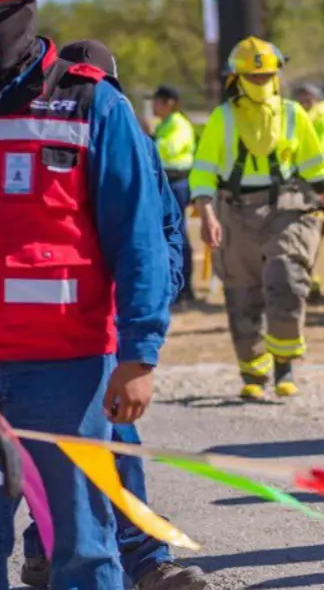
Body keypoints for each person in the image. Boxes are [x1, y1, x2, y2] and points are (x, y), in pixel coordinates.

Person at [0, 0, 174, 588]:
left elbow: (140, 238)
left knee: (82, 548)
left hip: (68, 373)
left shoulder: (90, 104)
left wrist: (139, 354)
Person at [17, 41, 208, 589]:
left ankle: (141, 558)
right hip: (64, 340)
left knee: (107, 463)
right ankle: (51, 550)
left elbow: (160, 234)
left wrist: (143, 315)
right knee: (62, 467)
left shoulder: (122, 134)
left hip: (96, 341)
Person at [191, 37, 324, 400]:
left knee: (287, 280)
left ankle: (285, 367)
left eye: (267, 76)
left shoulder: (295, 114)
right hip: (236, 211)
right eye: (254, 77)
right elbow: (203, 172)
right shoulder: (223, 117)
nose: (261, 83)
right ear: (238, 77)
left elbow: (316, 169)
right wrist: (208, 215)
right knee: (242, 292)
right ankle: (253, 373)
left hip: (288, 207)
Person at [294, 83, 324, 302]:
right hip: (296, 185)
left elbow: (321, 158)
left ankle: (309, 285)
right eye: (301, 97)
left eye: (307, 97)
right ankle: (304, 283)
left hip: (313, 188)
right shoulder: (296, 120)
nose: (304, 101)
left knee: (309, 236)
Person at [151, 84, 198, 306]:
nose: (153, 105)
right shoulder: (166, 124)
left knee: (176, 233)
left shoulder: (178, 124)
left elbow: (166, 149)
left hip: (177, 183)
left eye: (157, 101)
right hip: (167, 183)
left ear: (168, 103)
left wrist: (149, 141)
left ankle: (184, 287)